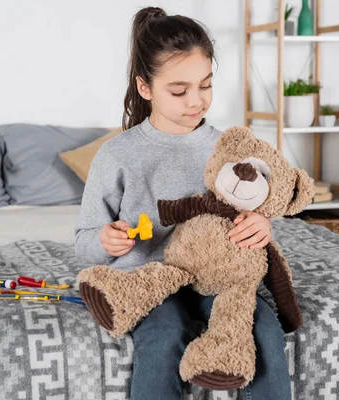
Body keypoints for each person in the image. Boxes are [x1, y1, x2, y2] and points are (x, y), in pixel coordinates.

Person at [74, 6, 291, 400]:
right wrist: (105, 240)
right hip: (148, 279)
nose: (196, 101)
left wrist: (261, 225)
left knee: (264, 331)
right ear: (145, 88)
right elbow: (83, 238)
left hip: (219, 278)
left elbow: (255, 204)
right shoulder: (117, 154)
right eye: (179, 90)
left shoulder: (230, 148)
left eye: (205, 85)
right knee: (164, 335)